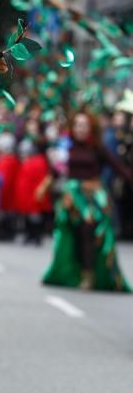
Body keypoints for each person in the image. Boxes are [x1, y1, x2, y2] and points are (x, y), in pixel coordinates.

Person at [43, 111, 132, 291]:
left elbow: (118, 167)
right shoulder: (66, 146)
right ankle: (72, 273)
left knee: (89, 227)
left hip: (93, 198)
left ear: (91, 128)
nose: (80, 129)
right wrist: (44, 186)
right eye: (77, 125)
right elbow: (57, 170)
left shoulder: (97, 147)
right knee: (70, 234)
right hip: (71, 198)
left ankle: (89, 275)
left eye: (84, 125)